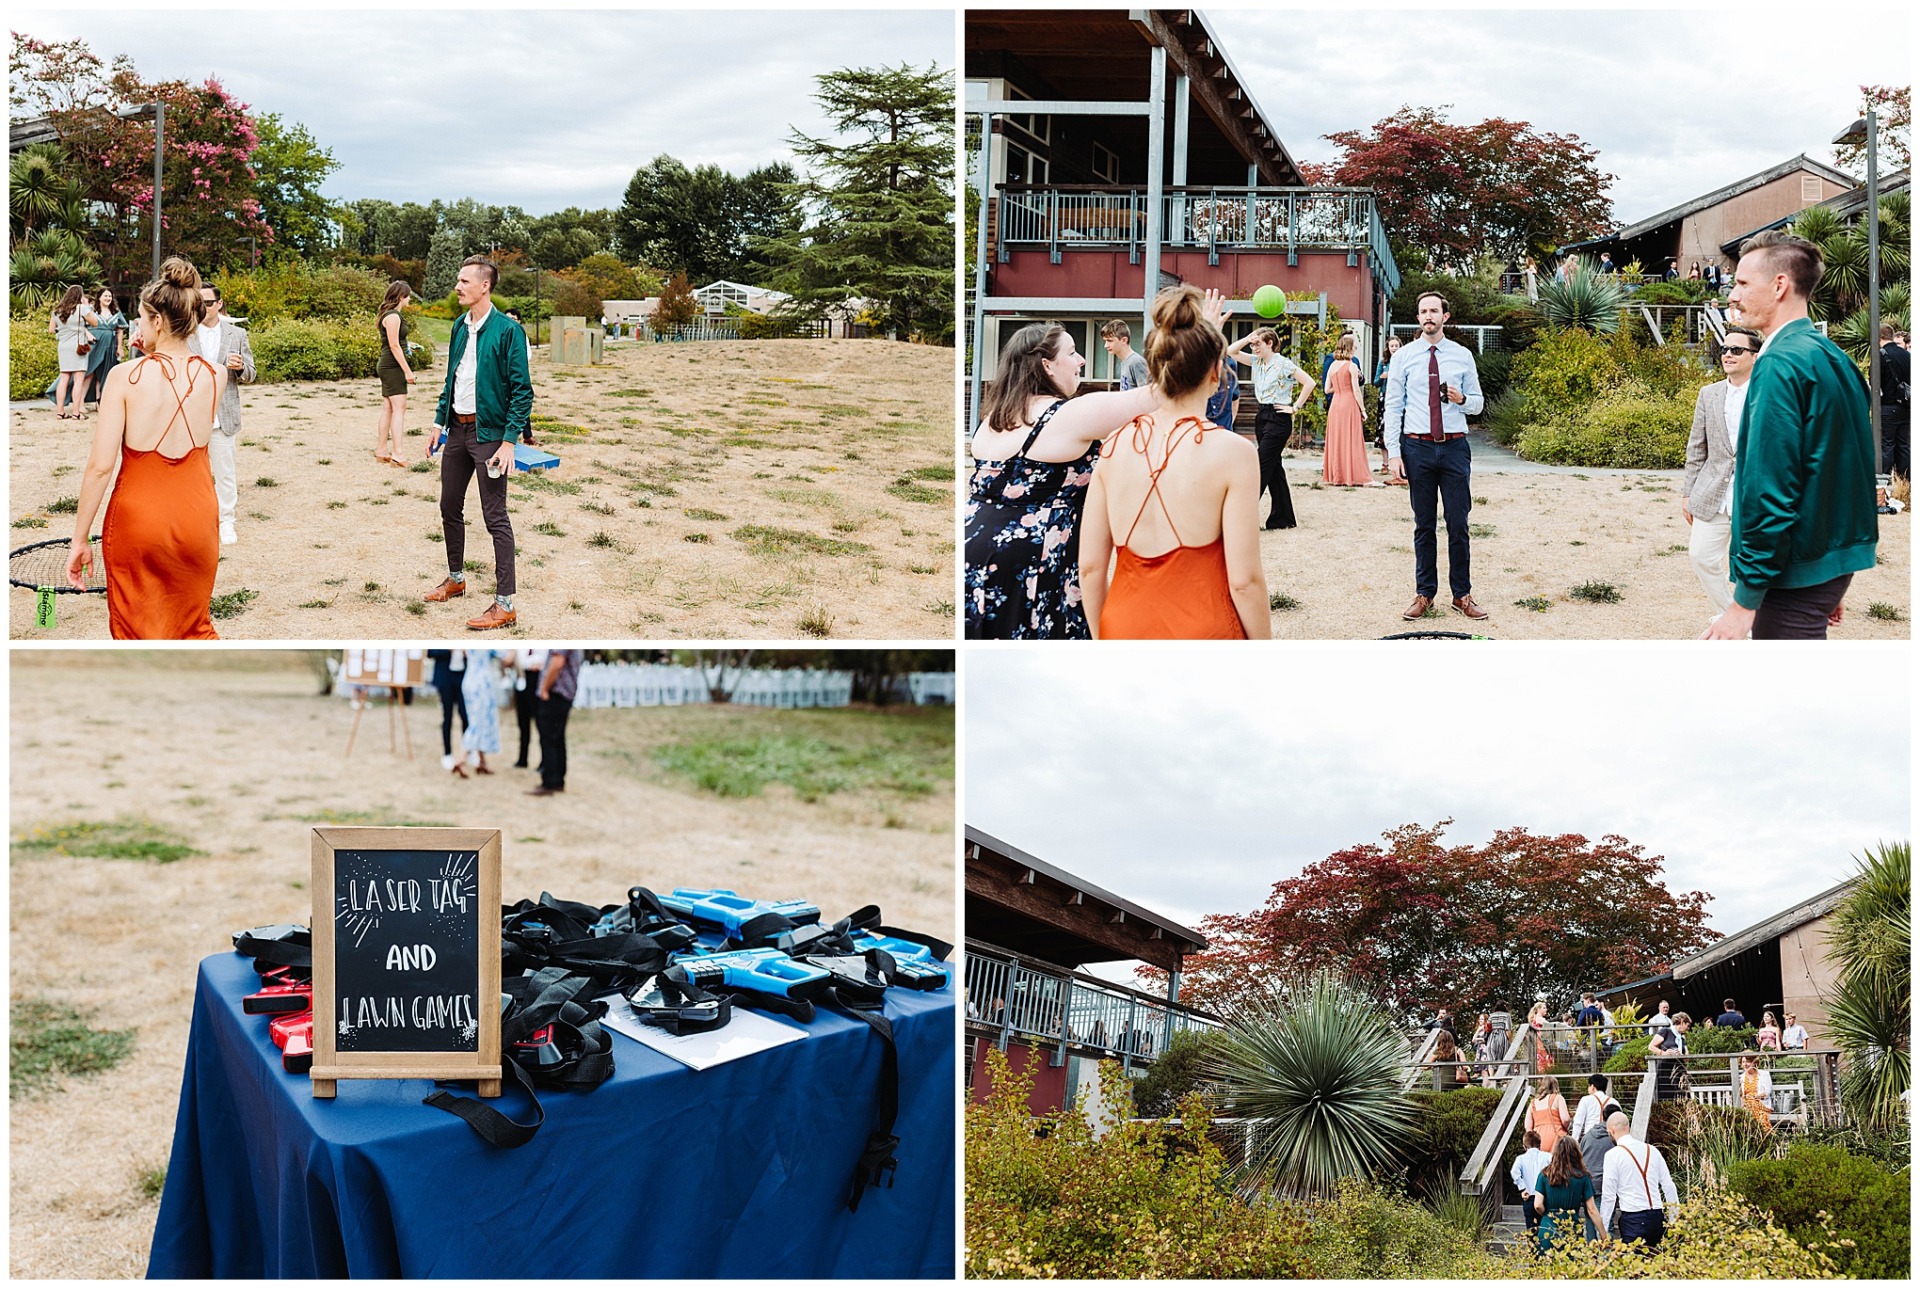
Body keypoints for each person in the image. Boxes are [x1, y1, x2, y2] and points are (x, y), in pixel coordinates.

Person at [1707, 230, 1877, 639]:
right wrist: (1833, 572)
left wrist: (1745, 601)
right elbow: (1847, 467)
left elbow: (1772, 487)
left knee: (1785, 697)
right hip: (1824, 563)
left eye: (1744, 283)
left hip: (1794, 572)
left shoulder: (1779, 365)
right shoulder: (1834, 357)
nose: (1732, 295)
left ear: (1780, 284)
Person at [1079, 285, 1269, 639]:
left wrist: (1103, 636)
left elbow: (1090, 570)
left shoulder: (1113, 446)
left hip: (1122, 625)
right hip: (1202, 628)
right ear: (1217, 370)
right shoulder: (1235, 453)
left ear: (1154, 365)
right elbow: (1244, 582)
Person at [965, 321, 1165, 638]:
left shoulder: (993, 419)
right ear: (1047, 366)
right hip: (1033, 566)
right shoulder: (1067, 415)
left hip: (975, 561)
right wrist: (1199, 338)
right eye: (1072, 352)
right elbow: (1163, 394)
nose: (1082, 360)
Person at [64, 257, 222, 638]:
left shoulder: (123, 377)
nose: (136, 324)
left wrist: (79, 539)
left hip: (139, 519)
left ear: (156, 321)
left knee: (136, 630)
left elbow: (101, 467)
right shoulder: (214, 376)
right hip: (198, 517)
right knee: (192, 626)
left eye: (140, 316)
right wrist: (151, 350)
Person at [426, 256, 533, 631]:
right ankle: (456, 579)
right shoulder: (459, 326)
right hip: (457, 431)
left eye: (464, 281)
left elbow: (523, 391)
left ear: (484, 286)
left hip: (490, 436)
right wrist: (440, 423)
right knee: (448, 506)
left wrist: (509, 441)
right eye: (458, 280)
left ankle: (505, 604)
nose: (458, 286)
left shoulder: (507, 331)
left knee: (495, 516)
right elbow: (451, 379)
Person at [1383, 291, 1486, 621]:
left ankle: (1462, 595)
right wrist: (1394, 454)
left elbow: (1479, 403)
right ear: (1418, 318)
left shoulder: (1462, 355)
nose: (1428, 316)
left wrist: (1461, 399)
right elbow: (1393, 405)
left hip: (1455, 448)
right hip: (1417, 448)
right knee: (1423, 525)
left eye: (1434, 311)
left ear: (1446, 316)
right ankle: (1425, 593)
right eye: (1423, 311)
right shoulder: (1404, 357)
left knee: (1458, 523)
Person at [1682, 326, 1761, 615]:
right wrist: (1687, 493)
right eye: (1724, 349)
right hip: (1712, 493)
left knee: (1754, 569)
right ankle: (1731, 617)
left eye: (1736, 350)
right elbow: (1696, 449)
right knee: (1700, 556)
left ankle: (1754, 624)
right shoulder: (1709, 394)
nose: (1728, 355)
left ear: (1755, 355)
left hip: (1755, 497)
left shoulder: (1770, 394)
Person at [189, 283, 256, 547]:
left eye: (207, 303)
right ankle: (195, 519)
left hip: (224, 415)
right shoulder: (185, 333)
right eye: (198, 303)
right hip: (191, 416)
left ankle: (226, 521)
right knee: (192, 472)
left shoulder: (237, 334)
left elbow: (252, 373)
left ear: (219, 304)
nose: (202, 309)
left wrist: (240, 369)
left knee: (225, 472)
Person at [1224, 326, 1312, 528]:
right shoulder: (1256, 362)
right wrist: (1247, 338)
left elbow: (1309, 382)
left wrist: (1295, 407)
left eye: (1258, 344)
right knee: (1274, 469)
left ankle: (1240, 516)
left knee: (1259, 466)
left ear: (1270, 343)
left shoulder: (1283, 364)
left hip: (1279, 418)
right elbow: (1230, 351)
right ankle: (1283, 519)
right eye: (1253, 344)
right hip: (1262, 416)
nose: (1254, 348)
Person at [1598, 1112, 1677, 1250]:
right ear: (1628, 1127)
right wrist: (1674, 1219)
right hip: (1657, 1218)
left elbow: (1609, 1197)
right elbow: (1668, 1186)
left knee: (1635, 1268)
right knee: (1657, 1265)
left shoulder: (1613, 1155)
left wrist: (1603, 1230)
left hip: (1633, 1219)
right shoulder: (1651, 1150)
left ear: (1611, 1130)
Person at [530, 648, 585, 796]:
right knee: (557, 738)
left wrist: (544, 689)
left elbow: (557, 662)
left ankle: (550, 782)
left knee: (549, 738)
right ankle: (558, 780)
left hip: (556, 693)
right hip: (564, 694)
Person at [1534, 1137, 1605, 1252]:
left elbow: (1537, 1204)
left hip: (1548, 1226)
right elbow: (1592, 1209)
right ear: (1576, 1153)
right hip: (1572, 1226)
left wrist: (1548, 1214)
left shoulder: (1544, 1174)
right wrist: (1603, 1235)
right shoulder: (1582, 1177)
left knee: (1546, 1266)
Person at [373, 280, 417, 466]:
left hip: (388, 364)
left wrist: (409, 346)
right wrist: (408, 371)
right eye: (408, 296)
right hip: (392, 367)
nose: (409, 299)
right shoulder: (393, 317)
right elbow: (393, 345)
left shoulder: (391, 315)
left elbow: (395, 342)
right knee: (399, 409)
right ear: (401, 296)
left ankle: (382, 450)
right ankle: (397, 454)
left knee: (388, 408)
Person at [1321, 334, 1373, 486]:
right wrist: (1363, 410)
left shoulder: (1332, 365)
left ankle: (1337, 475)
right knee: (1351, 439)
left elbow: (1326, 389)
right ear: (1349, 348)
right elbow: (1357, 391)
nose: (1355, 348)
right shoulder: (1352, 366)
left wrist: (1338, 389)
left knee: (1337, 439)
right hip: (1349, 403)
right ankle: (1352, 475)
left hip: (1336, 403)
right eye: (1354, 346)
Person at [50, 285, 101, 420]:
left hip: (63, 347)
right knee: (78, 380)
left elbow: (51, 329)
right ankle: (76, 412)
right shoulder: (82, 309)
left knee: (64, 378)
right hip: (78, 348)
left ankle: (60, 412)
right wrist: (87, 306)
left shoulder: (57, 311)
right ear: (80, 295)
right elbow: (95, 322)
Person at [1572, 1074, 1625, 1191]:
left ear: (1592, 1086)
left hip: (1591, 1138)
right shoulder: (1614, 1101)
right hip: (1610, 1138)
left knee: (1590, 1167)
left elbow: (1578, 1122)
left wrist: (1574, 1141)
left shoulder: (1586, 1100)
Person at [458, 648, 503, 776]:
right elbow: (505, 656)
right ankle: (461, 759)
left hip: (469, 680)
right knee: (478, 723)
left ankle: (482, 762)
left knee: (477, 720)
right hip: (483, 683)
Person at [81, 287, 128, 407]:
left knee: (104, 373)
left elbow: (120, 330)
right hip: (94, 344)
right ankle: (80, 402)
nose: (108, 298)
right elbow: (81, 324)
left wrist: (119, 347)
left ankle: (99, 402)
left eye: (110, 296)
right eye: (105, 296)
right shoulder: (91, 310)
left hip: (110, 344)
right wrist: (88, 334)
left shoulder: (115, 311)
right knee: (89, 371)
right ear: (99, 297)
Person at [428, 649, 469, 774]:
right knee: (447, 717)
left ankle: (467, 752)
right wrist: (449, 650)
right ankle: (447, 753)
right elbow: (431, 652)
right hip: (445, 678)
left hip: (464, 677)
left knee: (466, 717)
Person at [1880, 321, 1910, 482]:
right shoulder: (1907, 355)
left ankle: (1884, 483)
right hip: (1905, 406)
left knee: (1887, 445)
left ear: (1879, 337)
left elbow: (1875, 384)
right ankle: (1905, 482)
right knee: (1904, 446)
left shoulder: (1881, 355)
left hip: (1887, 406)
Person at [1511, 1129, 1551, 1237]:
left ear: (1524, 1146)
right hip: (1544, 1196)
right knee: (1545, 1228)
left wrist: (1522, 1187)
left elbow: (1514, 1172)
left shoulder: (1520, 1159)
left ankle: (1533, 1251)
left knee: (1531, 1230)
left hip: (1528, 1196)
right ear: (1540, 1144)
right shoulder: (1547, 1156)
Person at [513, 647, 548, 770]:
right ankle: (522, 759)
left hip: (537, 678)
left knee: (540, 723)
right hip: (521, 677)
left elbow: (543, 660)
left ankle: (545, 761)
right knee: (523, 722)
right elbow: (519, 659)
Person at [1648, 1011, 1691, 1100]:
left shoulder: (1682, 1038)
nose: (1688, 1028)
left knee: (1680, 1096)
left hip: (1679, 1071)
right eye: (1687, 1025)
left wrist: (1681, 1055)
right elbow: (1651, 1046)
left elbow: (1687, 1058)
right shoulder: (1665, 1031)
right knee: (1665, 1094)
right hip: (1665, 1069)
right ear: (1682, 1022)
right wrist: (1664, 1053)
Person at [1101, 319, 1150, 391]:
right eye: (1105, 341)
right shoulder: (1126, 362)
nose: (1106, 345)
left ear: (1124, 340)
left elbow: (1147, 394)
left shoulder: (1136, 362)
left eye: (1110, 341)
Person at [1526, 1074, 1570, 1154]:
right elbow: (1565, 1119)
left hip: (1538, 1139)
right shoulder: (1557, 1098)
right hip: (1556, 1136)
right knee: (1557, 1163)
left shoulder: (1533, 1103)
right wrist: (1566, 1128)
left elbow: (1528, 1127)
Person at [1738, 1053, 1774, 1127]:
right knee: (1748, 1107)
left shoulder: (1764, 1074)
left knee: (1752, 1105)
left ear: (1754, 1062)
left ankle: (1758, 1132)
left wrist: (1755, 1097)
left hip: (1761, 1104)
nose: (1745, 1064)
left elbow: (1767, 1092)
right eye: (1743, 1062)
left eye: (1748, 1061)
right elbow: (1740, 1095)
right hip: (1746, 1105)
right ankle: (1761, 1133)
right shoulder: (1741, 1077)